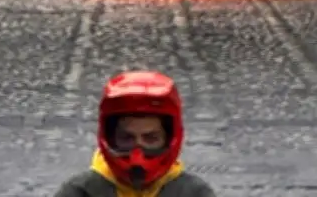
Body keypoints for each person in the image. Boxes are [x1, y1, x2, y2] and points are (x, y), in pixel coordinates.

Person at [53, 71, 215, 196]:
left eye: (150, 139)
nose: (138, 154)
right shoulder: (80, 192)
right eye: (127, 138)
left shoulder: (195, 193)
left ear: (169, 139)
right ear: (111, 138)